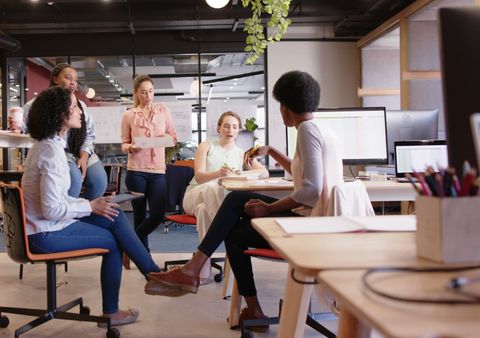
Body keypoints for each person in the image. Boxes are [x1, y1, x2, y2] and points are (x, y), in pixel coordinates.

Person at [145, 71, 344, 332]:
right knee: (236, 206)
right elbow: (302, 177)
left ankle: (199, 270)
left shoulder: (306, 131)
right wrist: (273, 152)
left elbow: (309, 190)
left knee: (234, 229)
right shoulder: (320, 128)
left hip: (309, 225)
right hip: (318, 219)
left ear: (284, 106)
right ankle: (211, 279)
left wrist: (268, 208)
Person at [21, 86, 164, 326]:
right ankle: (113, 311)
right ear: (59, 114)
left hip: (47, 223)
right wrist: (89, 207)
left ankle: (153, 274)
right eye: (75, 107)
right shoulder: (52, 153)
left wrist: (93, 204)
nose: (80, 111)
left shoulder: (49, 144)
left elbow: (57, 201)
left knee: (113, 213)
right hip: (43, 233)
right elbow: (52, 209)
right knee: (112, 242)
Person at [182, 111, 267, 284]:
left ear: (239, 131)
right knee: (215, 185)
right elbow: (199, 177)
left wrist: (241, 172)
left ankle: (202, 268)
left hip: (211, 203)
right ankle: (227, 232)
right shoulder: (206, 146)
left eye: (235, 127)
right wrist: (218, 174)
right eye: (226, 126)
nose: (230, 130)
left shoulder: (243, 154)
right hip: (194, 195)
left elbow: (264, 172)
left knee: (203, 211)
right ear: (219, 128)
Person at [9, 63, 108, 200]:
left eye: (75, 80)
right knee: (73, 179)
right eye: (68, 78)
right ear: (55, 79)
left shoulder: (82, 107)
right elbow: (23, 128)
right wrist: (15, 126)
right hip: (59, 151)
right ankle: (68, 215)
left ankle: (85, 213)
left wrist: (84, 157)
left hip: (80, 150)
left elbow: (89, 135)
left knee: (99, 181)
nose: (72, 83)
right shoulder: (38, 104)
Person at [120, 74, 177, 253]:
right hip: (136, 170)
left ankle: (127, 246)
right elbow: (123, 144)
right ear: (136, 93)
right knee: (138, 215)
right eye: (143, 92)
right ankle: (142, 253)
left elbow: (174, 138)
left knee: (158, 215)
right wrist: (131, 147)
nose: (148, 96)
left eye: (151, 91)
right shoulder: (129, 115)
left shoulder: (163, 111)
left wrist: (165, 139)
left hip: (158, 171)